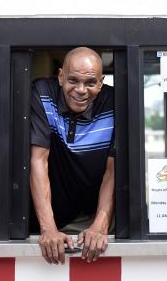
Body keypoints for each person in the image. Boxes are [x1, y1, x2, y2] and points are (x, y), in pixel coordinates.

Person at [30, 47, 115, 265]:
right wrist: (48, 229)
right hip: (50, 215)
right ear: (60, 77)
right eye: (73, 80)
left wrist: (99, 227)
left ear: (101, 82)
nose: (80, 90)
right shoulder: (42, 93)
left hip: (93, 213)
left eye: (90, 83)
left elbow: (112, 170)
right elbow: (39, 160)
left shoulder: (114, 102)